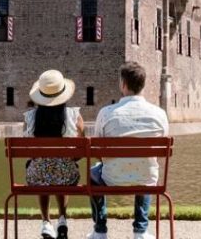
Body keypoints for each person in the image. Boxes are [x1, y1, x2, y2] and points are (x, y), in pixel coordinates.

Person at [87, 62, 169, 239]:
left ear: (123, 84)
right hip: (146, 176)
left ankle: (100, 230)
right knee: (146, 168)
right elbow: (158, 150)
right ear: (143, 84)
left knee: (92, 173)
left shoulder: (106, 113)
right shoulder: (159, 114)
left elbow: (97, 149)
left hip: (112, 177)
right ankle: (140, 231)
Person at [24, 69, 85, 239]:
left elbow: (29, 152)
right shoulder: (74, 116)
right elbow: (81, 151)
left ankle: (46, 223)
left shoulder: (30, 118)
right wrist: (69, 157)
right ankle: (63, 219)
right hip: (67, 175)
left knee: (41, 169)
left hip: (37, 177)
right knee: (62, 167)